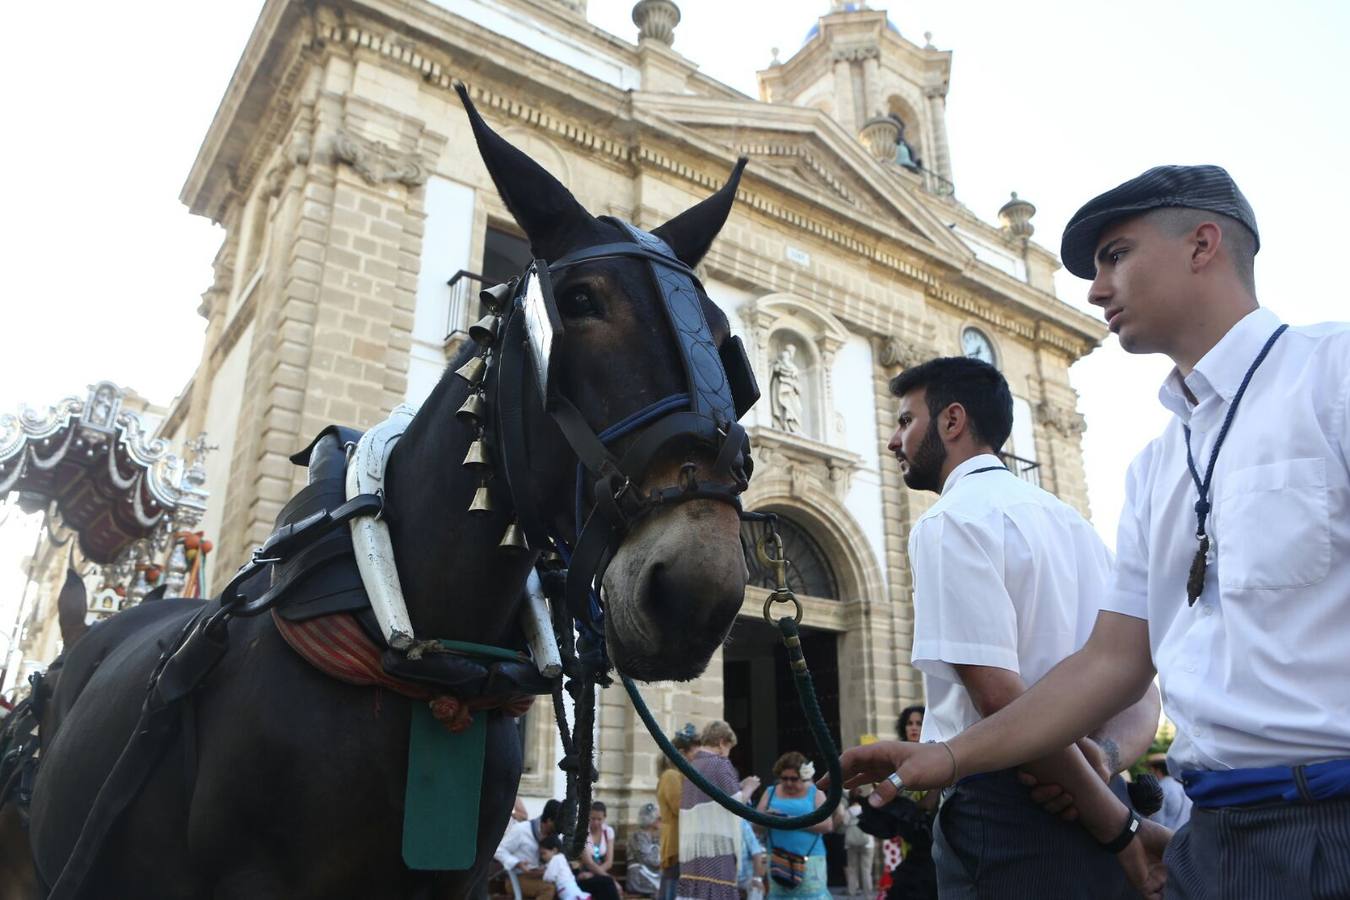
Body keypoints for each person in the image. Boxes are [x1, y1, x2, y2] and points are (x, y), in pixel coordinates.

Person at [835, 164, 1350, 899]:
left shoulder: (1332, 375)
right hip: (1209, 840)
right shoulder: (1155, 469)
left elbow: (1016, 687)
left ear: (1203, 245)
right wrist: (944, 761)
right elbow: (1114, 665)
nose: (1094, 290)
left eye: (1116, 256)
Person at [859, 355, 1163, 897]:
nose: (891, 440)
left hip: (1007, 810)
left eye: (906, 421)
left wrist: (1112, 825)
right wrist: (1104, 761)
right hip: (1097, 790)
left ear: (952, 422)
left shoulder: (949, 521)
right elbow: (1142, 691)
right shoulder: (1075, 525)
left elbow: (999, 697)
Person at [678, 720, 760, 900]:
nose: (728, 754)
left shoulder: (693, 765)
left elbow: (711, 800)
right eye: (729, 747)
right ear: (722, 742)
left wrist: (738, 785)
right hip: (716, 848)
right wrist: (750, 787)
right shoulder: (720, 763)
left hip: (693, 849)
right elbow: (735, 804)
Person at [756, 752, 833, 900]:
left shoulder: (814, 792)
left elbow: (827, 825)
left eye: (794, 779)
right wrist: (769, 818)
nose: (789, 783)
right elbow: (756, 826)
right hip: (779, 861)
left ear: (803, 778)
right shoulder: (771, 792)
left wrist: (791, 820)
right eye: (784, 778)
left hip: (810, 860)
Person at [659, 723, 701, 900]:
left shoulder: (683, 776)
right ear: (683, 753)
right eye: (696, 753)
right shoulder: (671, 776)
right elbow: (682, 807)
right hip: (677, 847)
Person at [496, 799, 563, 900]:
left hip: (540, 877)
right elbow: (499, 851)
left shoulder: (553, 836)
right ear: (549, 821)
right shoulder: (521, 830)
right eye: (557, 825)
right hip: (517, 878)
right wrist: (518, 863)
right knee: (548, 889)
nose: (560, 829)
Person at [579, 801, 621, 900]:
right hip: (584, 875)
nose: (596, 822)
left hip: (598, 874)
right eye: (593, 818)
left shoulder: (608, 831)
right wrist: (611, 879)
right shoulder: (582, 832)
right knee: (608, 883)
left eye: (599, 819)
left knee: (606, 884)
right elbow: (589, 863)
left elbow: (609, 862)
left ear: (604, 818)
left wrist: (596, 874)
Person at [1145, 753, 1193, 833]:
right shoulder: (1182, 787)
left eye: (1150, 769)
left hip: (1166, 841)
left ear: (1155, 770)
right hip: (1184, 839)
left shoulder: (1159, 789)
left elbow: (1157, 824)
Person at [841, 790, 874, 899]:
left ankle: (852, 894)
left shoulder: (848, 811)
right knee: (866, 870)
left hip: (851, 843)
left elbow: (845, 823)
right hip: (867, 842)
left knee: (852, 869)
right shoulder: (866, 810)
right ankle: (868, 896)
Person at [628, 802, 663, 896]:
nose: (662, 821)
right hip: (640, 875)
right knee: (663, 890)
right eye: (659, 818)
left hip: (653, 873)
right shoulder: (638, 836)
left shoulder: (655, 836)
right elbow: (650, 861)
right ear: (652, 820)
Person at [540, 835, 591, 900]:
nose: (542, 857)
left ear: (554, 850)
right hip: (571, 887)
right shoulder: (561, 858)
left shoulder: (555, 859)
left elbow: (549, 877)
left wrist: (543, 874)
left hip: (566, 889)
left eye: (544, 853)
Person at [737, 818, 767, 900]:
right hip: (725, 878)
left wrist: (757, 878)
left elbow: (756, 852)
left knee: (756, 890)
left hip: (745, 878)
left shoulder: (741, 823)